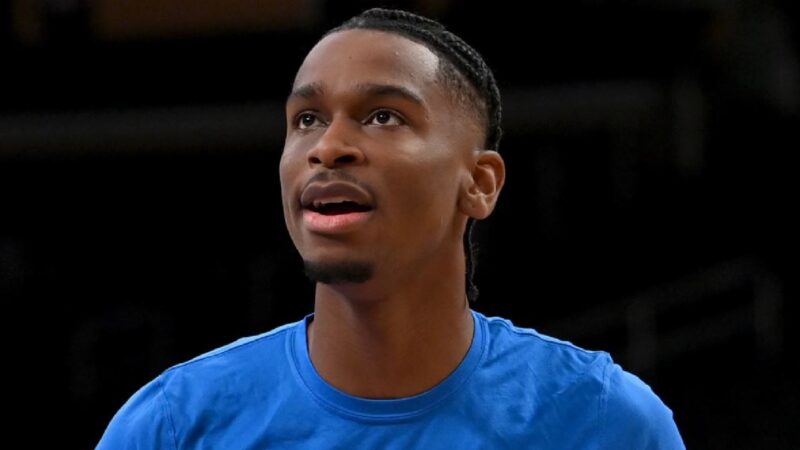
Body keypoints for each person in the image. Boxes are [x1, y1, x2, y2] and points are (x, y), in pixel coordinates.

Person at [97, 8, 685, 449]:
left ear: (480, 183)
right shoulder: (173, 427)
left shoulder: (604, 422)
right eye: (307, 119)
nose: (328, 147)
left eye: (383, 116)